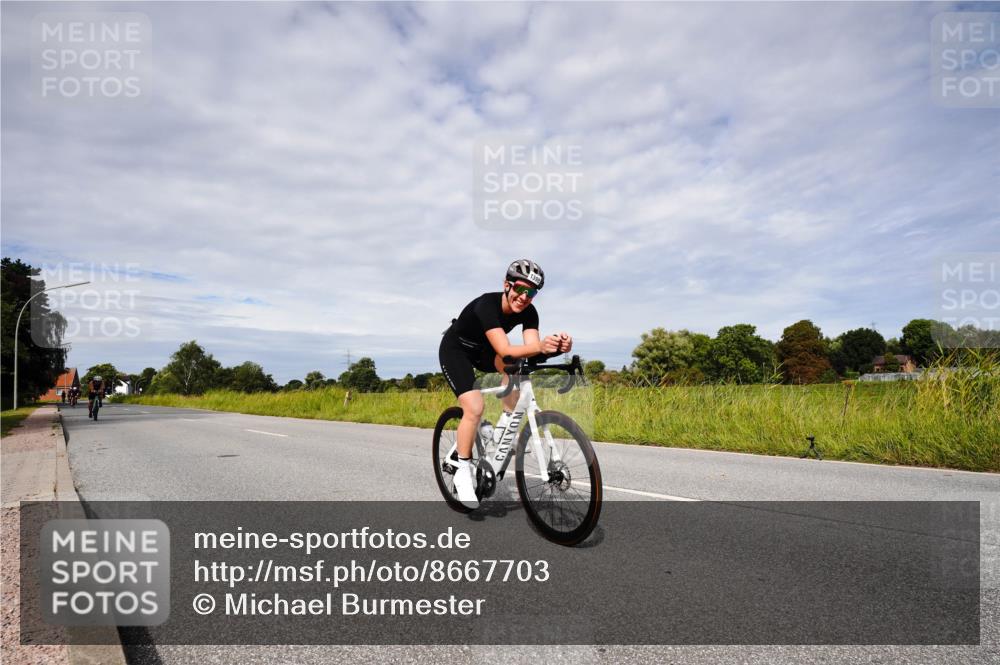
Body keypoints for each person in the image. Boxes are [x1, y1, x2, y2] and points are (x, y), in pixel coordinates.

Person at [439, 259, 572, 508]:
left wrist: (557, 349)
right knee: (475, 407)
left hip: (484, 353)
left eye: (531, 293)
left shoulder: (529, 312)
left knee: (518, 372)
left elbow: (531, 351)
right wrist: (541, 346)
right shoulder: (487, 305)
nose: (524, 297)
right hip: (457, 350)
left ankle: (502, 429)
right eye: (520, 289)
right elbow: (505, 349)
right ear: (507, 285)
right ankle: (462, 469)